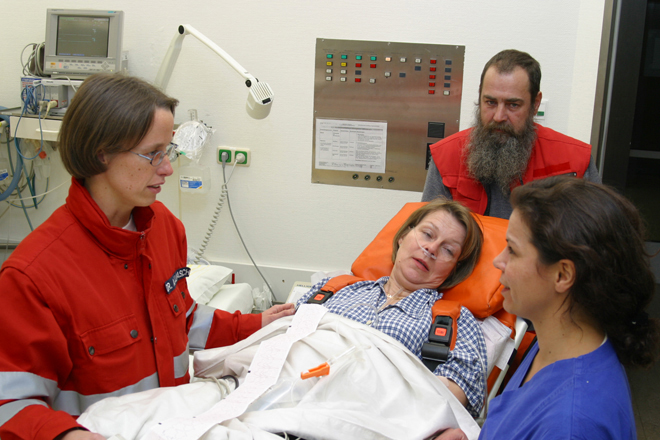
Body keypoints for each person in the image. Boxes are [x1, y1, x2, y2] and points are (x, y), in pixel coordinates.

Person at [0, 73, 294, 440]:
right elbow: (10, 406)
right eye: (153, 154)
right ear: (101, 152)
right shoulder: (33, 276)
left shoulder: (164, 228)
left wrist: (254, 324)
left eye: (168, 151)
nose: (167, 167)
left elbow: (182, 318)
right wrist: (67, 436)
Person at [434, 176, 659, 440]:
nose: (497, 261)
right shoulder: (557, 344)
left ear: (562, 275)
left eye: (512, 250)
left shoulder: (570, 425)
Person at [297, 199, 488, 417]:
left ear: (454, 269)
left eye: (448, 250)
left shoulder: (455, 322)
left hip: (365, 419)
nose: (431, 249)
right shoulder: (335, 287)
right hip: (287, 395)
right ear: (404, 236)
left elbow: (450, 401)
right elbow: (283, 336)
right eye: (427, 234)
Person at [421, 49, 601, 219]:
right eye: (490, 102)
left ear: (535, 104)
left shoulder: (575, 160)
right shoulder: (447, 156)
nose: (499, 117)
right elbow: (428, 232)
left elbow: (596, 236)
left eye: (513, 105)